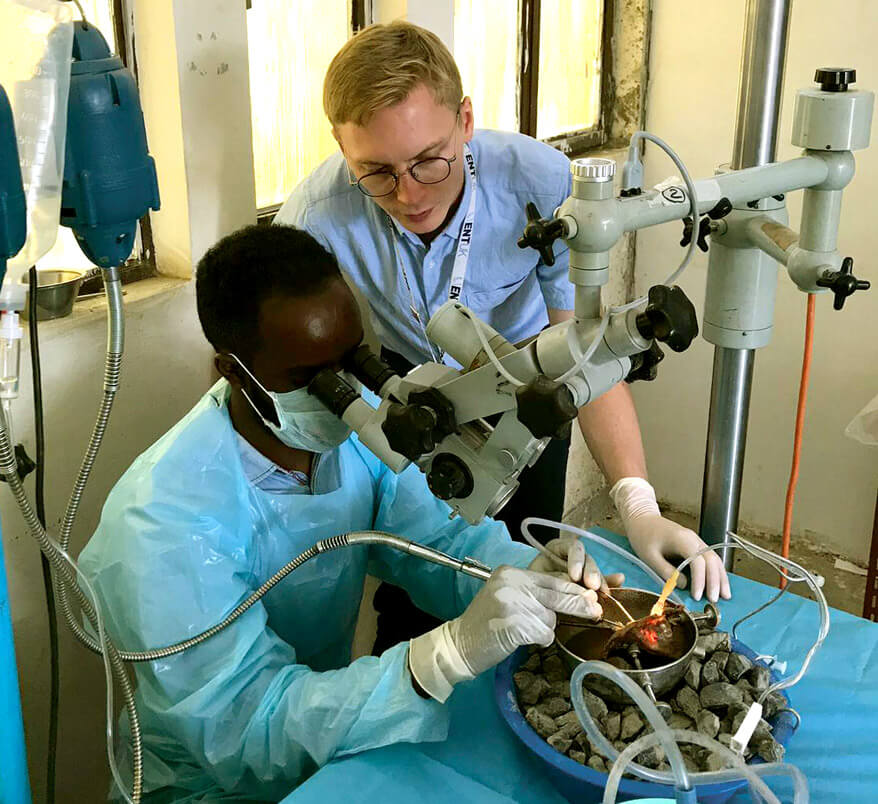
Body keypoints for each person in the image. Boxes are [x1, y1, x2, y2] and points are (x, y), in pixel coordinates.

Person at [79, 224, 622, 803]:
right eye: (310, 378)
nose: (345, 391)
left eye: (354, 360)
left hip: (328, 738)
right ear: (233, 372)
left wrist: (530, 576)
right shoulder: (162, 525)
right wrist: (442, 658)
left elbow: (442, 543)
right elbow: (244, 728)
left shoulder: (355, 435)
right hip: (208, 782)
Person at [275, 21, 731, 627]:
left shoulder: (542, 184)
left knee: (535, 576)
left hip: (533, 392)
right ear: (340, 144)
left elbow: (586, 357)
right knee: (417, 584)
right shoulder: (315, 216)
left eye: (428, 161)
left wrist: (638, 506)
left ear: (465, 120)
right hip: (414, 389)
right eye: (377, 172)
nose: (408, 194)